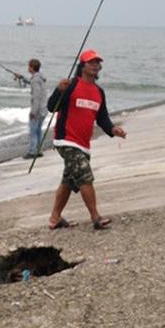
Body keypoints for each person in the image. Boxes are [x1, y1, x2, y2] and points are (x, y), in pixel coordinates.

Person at [45, 49, 126, 231]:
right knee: (84, 175)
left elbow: (102, 118)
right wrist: (59, 91)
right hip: (65, 140)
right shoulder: (71, 85)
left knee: (69, 181)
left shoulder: (98, 92)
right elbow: (51, 107)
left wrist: (113, 130)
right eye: (91, 62)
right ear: (82, 66)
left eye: (98, 63)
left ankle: (55, 218)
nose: (96, 65)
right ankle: (95, 217)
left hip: (83, 144)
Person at [19, 59, 47, 158]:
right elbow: (32, 82)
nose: (28, 68)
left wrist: (33, 112)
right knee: (38, 130)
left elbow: (36, 96)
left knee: (33, 131)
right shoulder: (39, 77)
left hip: (38, 109)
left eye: (29, 66)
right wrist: (22, 78)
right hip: (43, 108)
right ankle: (38, 150)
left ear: (31, 67)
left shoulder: (36, 80)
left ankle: (32, 152)